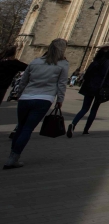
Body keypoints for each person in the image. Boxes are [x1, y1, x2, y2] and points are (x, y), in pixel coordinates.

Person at [5, 39, 69, 169]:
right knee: (27, 129)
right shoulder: (63, 64)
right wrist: (60, 100)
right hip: (44, 99)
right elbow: (61, 84)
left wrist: (19, 94)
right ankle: (13, 157)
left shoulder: (35, 61)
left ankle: (12, 157)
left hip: (26, 98)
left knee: (20, 127)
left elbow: (23, 80)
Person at [68, 45, 109, 138]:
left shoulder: (95, 62)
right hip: (100, 88)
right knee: (94, 109)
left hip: (90, 87)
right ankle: (86, 130)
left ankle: (73, 124)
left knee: (84, 108)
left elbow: (86, 75)